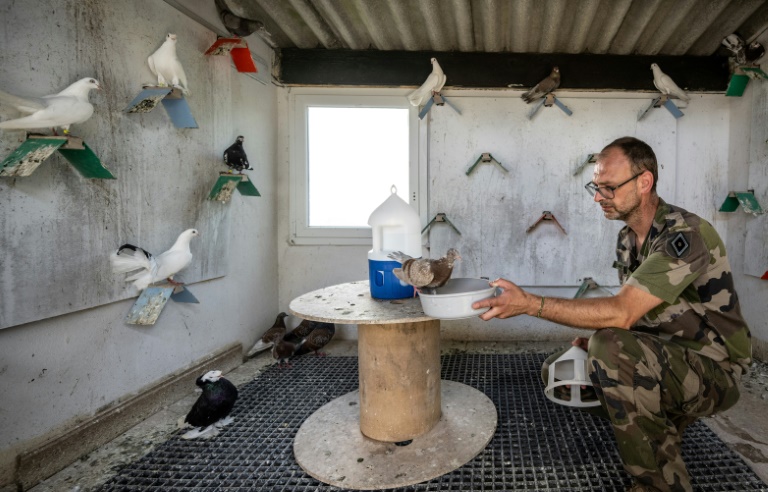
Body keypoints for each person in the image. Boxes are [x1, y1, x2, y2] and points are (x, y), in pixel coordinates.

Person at [472, 136, 751, 492]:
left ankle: (661, 483)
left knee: (612, 348)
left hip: (714, 371)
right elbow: (639, 314)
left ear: (644, 182)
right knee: (560, 369)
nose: (597, 197)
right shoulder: (627, 238)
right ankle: (659, 423)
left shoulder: (685, 234)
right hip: (671, 357)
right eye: (596, 186)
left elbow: (621, 313)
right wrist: (595, 342)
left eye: (608, 187)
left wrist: (530, 304)